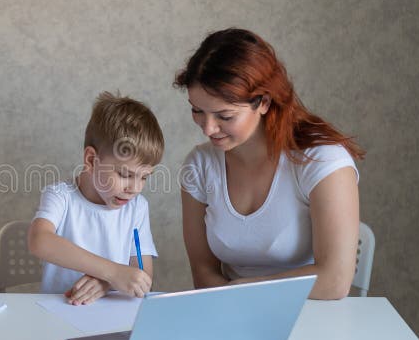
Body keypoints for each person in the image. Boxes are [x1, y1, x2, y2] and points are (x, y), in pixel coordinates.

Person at [175, 28, 364, 300]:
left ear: (263, 102)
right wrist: (239, 303)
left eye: (224, 116)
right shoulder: (199, 165)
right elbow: (203, 272)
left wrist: (244, 290)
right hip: (234, 312)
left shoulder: (321, 160)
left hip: (313, 312)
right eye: (197, 110)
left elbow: (335, 280)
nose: (208, 128)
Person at [27, 92, 164, 305]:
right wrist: (111, 272)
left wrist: (107, 282)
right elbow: (39, 241)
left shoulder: (137, 207)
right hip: (58, 310)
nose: (135, 188)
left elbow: (142, 275)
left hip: (112, 312)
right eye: (125, 174)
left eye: (144, 177)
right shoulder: (61, 196)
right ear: (91, 160)